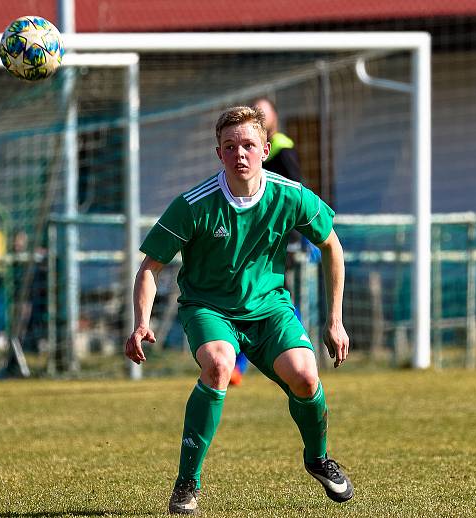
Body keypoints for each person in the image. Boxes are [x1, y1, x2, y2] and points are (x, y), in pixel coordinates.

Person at [124, 106, 352, 514]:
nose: (240, 154)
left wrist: (335, 320)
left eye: (248, 145)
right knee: (218, 363)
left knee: (304, 376)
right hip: (209, 308)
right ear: (219, 155)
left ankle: (318, 458)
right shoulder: (194, 204)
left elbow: (332, 245)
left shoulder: (290, 194)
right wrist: (141, 322)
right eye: (230, 147)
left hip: (269, 309)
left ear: (265, 149)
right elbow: (149, 268)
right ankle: (187, 484)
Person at [230, 97, 304, 386]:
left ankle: (293, 350)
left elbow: (296, 193)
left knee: (271, 294)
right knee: (258, 293)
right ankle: (242, 361)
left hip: (279, 239)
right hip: (256, 237)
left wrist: (300, 234)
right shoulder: (245, 153)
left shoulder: (282, 149)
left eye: (264, 113)